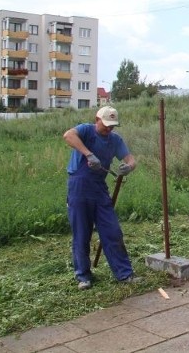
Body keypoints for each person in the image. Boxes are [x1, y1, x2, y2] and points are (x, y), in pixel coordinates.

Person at [63, 106, 139, 290]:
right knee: (82, 233)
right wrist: (88, 154)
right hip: (79, 187)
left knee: (112, 230)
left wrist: (128, 166)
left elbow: (131, 159)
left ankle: (124, 274)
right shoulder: (85, 130)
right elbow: (68, 136)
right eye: (106, 125)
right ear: (97, 119)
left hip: (99, 188)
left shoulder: (115, 140)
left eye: (112, 126)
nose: (109, 129)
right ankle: (83, 276)